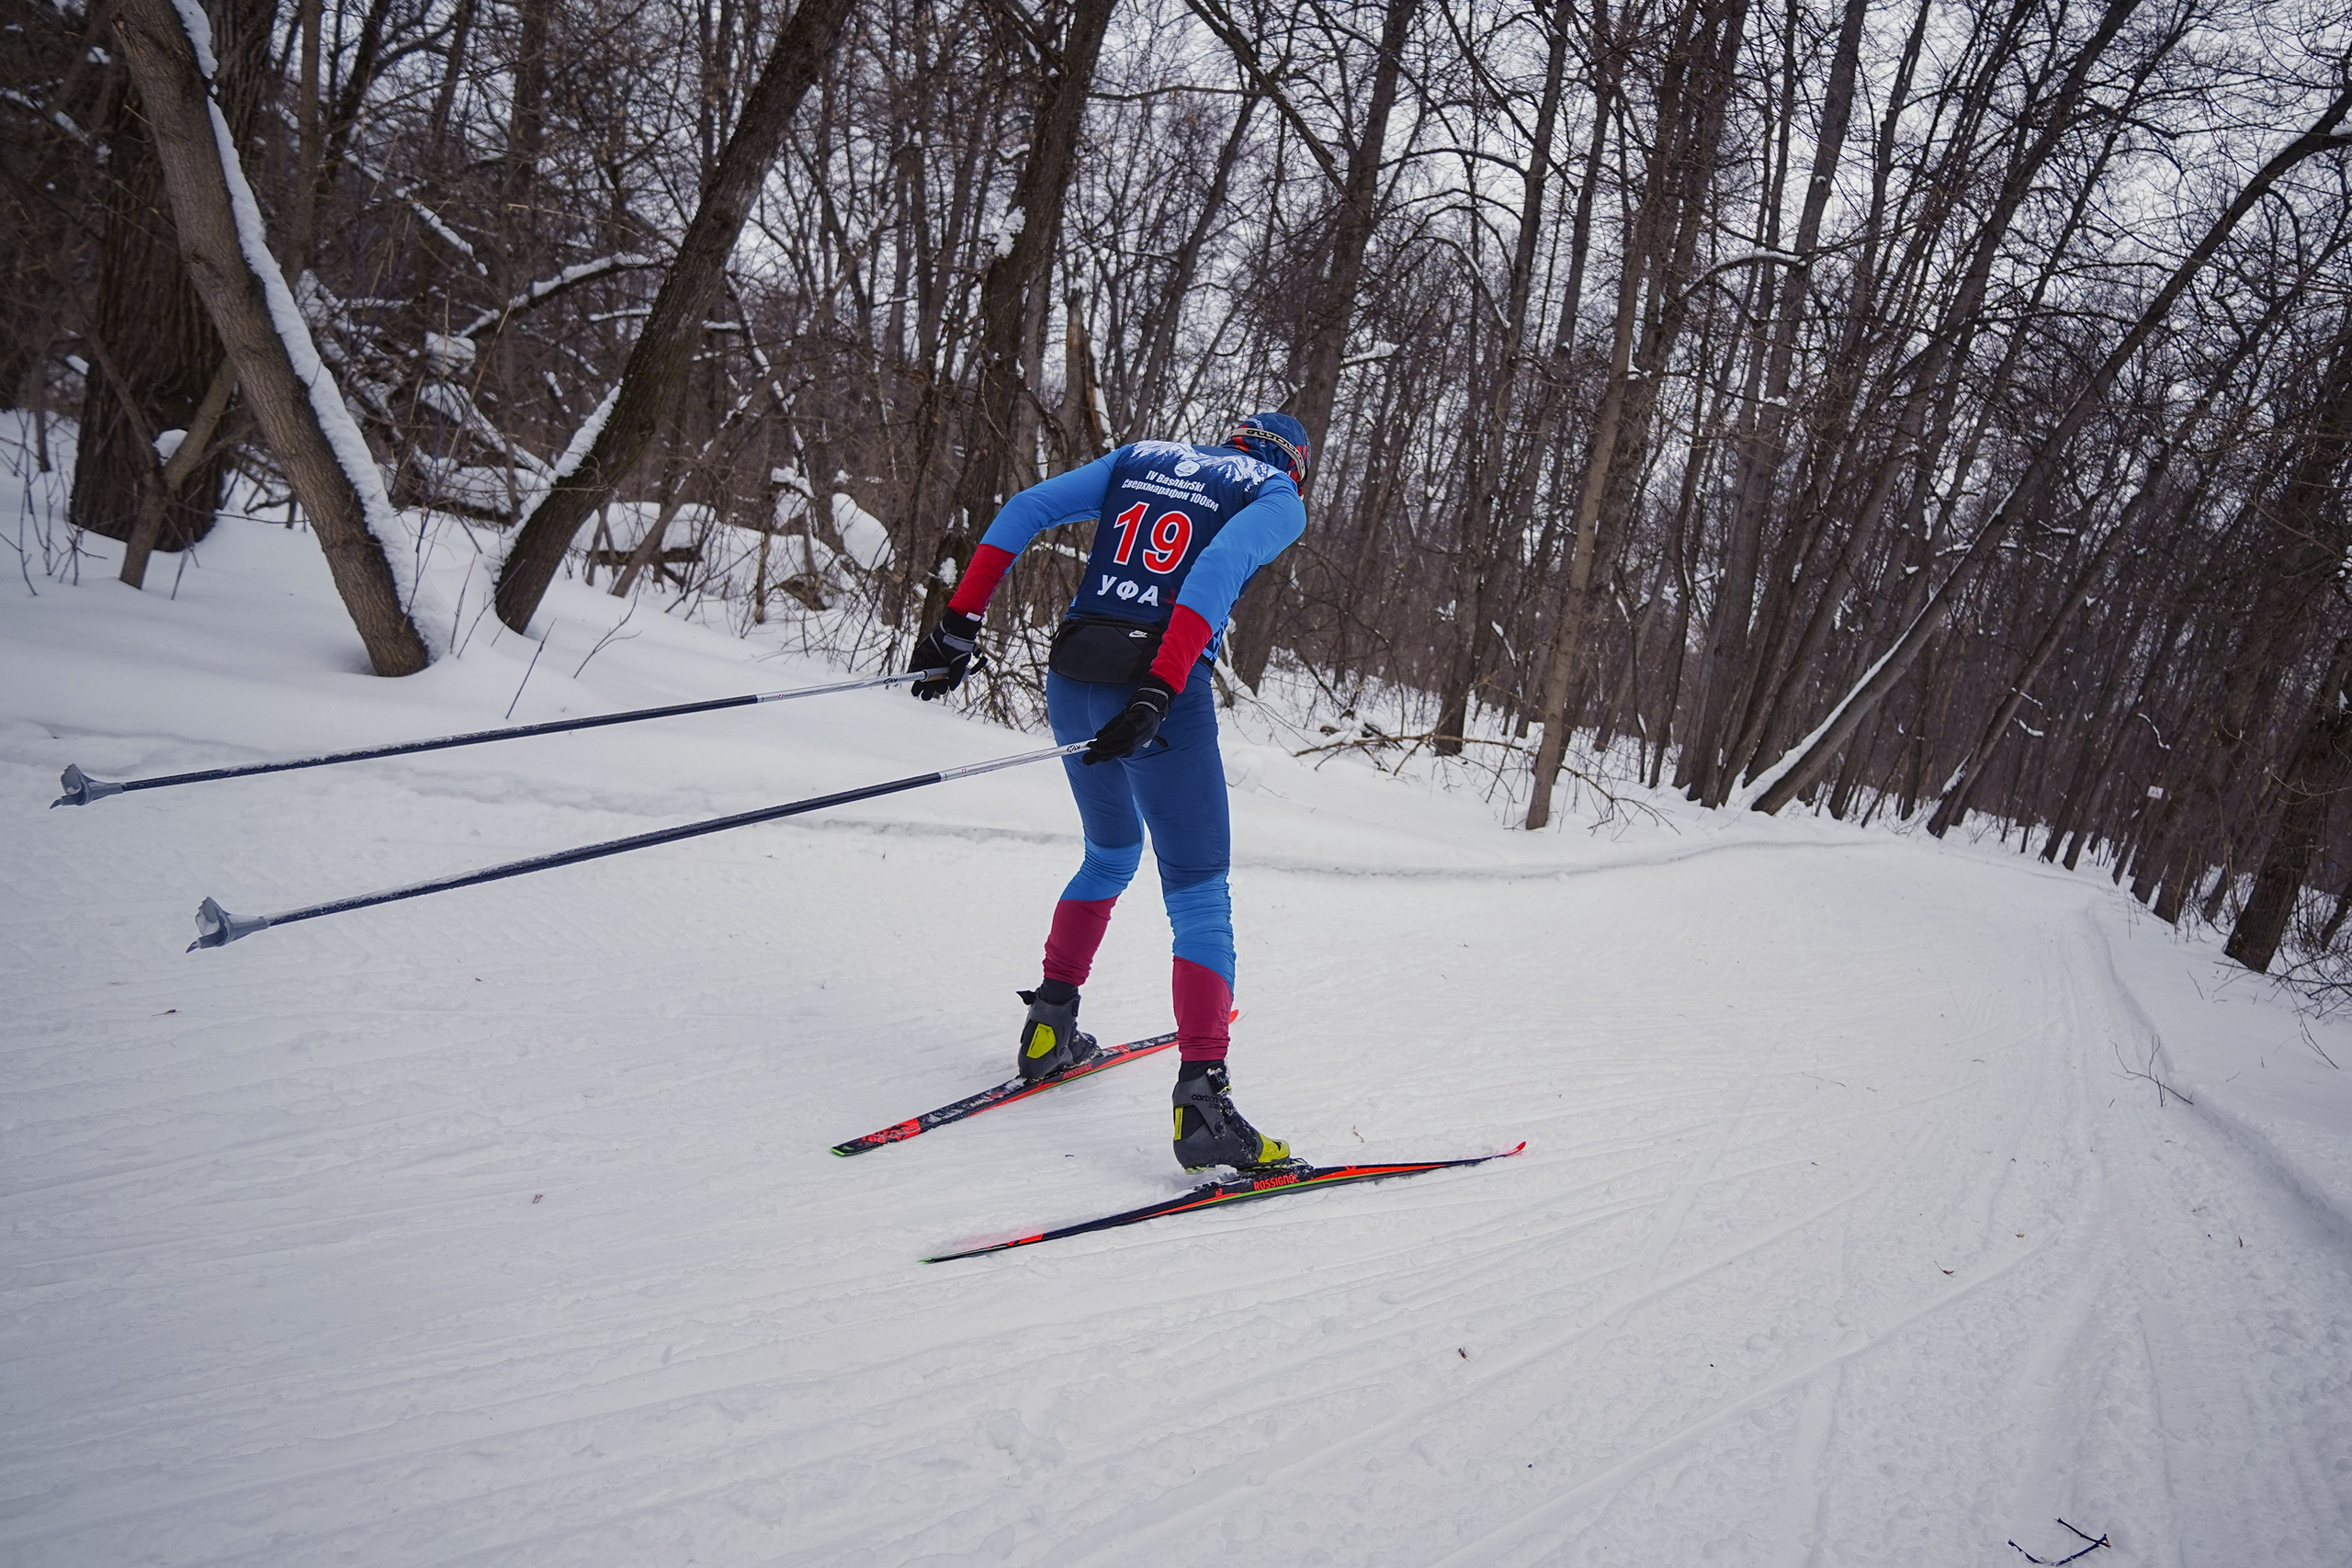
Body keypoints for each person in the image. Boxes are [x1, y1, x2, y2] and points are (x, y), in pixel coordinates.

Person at [907, 412, 1311, 1172]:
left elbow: (1025, 508)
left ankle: (1049, 1027)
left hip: (1073, 677)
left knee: (1111, 852)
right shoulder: (1277, 492)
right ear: (1294, 463)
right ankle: (1204, 1105)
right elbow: (1216, 572)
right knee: (1198, 891)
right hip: (1158, 689)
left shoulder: (1144, 455)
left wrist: (960, 621)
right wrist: (1160, 685)